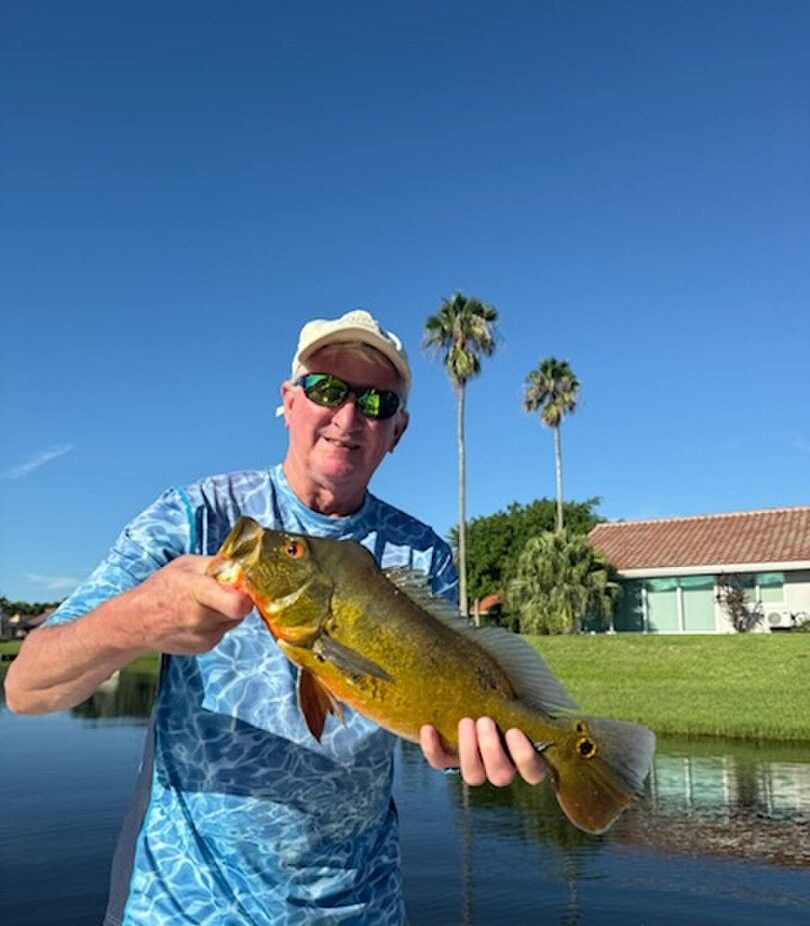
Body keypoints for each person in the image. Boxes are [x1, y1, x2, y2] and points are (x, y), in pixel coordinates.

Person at [5, 309, 545, 925]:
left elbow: (439, 719)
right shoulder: (197, 515)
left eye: (376, 401)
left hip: (362, 909)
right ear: (288, 402)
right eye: (326, 389)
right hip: (182, 910)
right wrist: (136, 619)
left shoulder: (422, 554)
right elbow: (26, 688)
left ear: (397, 429)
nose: (347, 416)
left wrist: (468, 750)